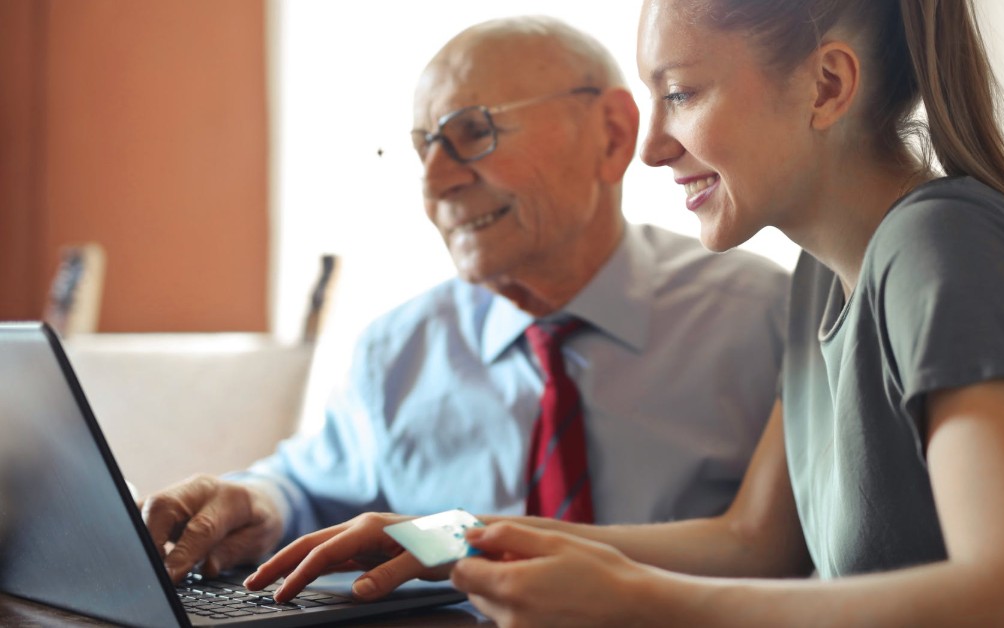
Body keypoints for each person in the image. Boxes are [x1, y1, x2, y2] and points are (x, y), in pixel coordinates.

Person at [247, 0, 1004, 626]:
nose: (652, 146)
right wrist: (449, 536)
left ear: (827, 86)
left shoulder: (942, 246)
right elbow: (753, 542)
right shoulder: (822, 279)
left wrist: (636, 602)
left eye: (681, 93)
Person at [140, 15, 791, 586]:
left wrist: (452, 540)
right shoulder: (398, 348)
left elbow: (780, 551)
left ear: (612, 134)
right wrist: (258, 502)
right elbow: (307, 487)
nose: (435, 182)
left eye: (473, 132)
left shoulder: (763, 318)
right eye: (423, 148)